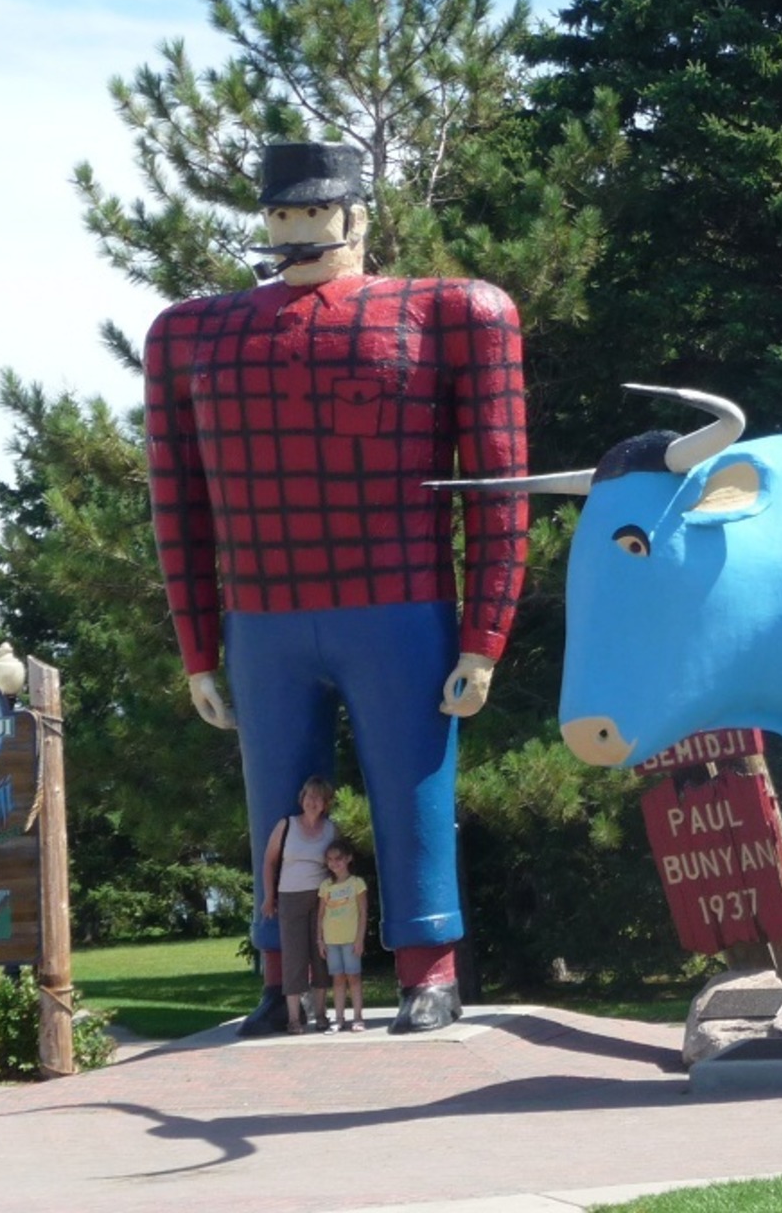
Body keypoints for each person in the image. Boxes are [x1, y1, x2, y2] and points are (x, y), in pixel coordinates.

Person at [144, 141, 528, 1035]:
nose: (298, 230)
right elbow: (177, 501)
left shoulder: (453, 314)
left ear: (356, 217)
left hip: (400, 603)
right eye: (282, 215)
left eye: (314, 213)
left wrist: (484, 637)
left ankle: (429, 970)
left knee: (412, 790)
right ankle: (285, 980)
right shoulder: (189, 335)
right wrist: (198, 649)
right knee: (277, 811)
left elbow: (499, 488)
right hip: (263, 616)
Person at [262, 776, 336, 1034]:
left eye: (318, 798)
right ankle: (294, 1017)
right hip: (290, 897)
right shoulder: (287, 825)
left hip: (321, 898)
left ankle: (321, 1014)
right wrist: (269, 896)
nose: (312, 802)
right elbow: (269, 862)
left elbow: (338, 863)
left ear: (325, 804)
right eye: (309, 796)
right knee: (294, 958)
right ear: (302, 799)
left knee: (320, 956)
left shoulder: (331, 829)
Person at [318, 839, 370, 1032]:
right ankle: (339, 1018)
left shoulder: (357, 883)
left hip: (351, 939)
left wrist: (360, 939)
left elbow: (363, 912)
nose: (334, 863)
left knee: (353, 977)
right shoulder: (326, 886)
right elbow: (321, 914)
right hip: (331, 940)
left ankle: (358, 1017)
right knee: (337, 979)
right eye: (330, 859)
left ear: (348, 858)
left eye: (338, 858)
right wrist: (320, 939)